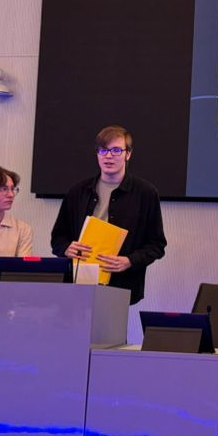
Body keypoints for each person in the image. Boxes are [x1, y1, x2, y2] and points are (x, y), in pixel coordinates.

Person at [50, 125, 166, 305]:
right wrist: (66, 249)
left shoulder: (146, 193)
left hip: (122, 285)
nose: (109, 156)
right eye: (103, 150)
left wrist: (130, 261)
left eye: (116, 150)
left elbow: (157, 245)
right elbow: (57, 238)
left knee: (112, 325)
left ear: (128, 154)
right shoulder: (78, 191)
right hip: (79, 284)